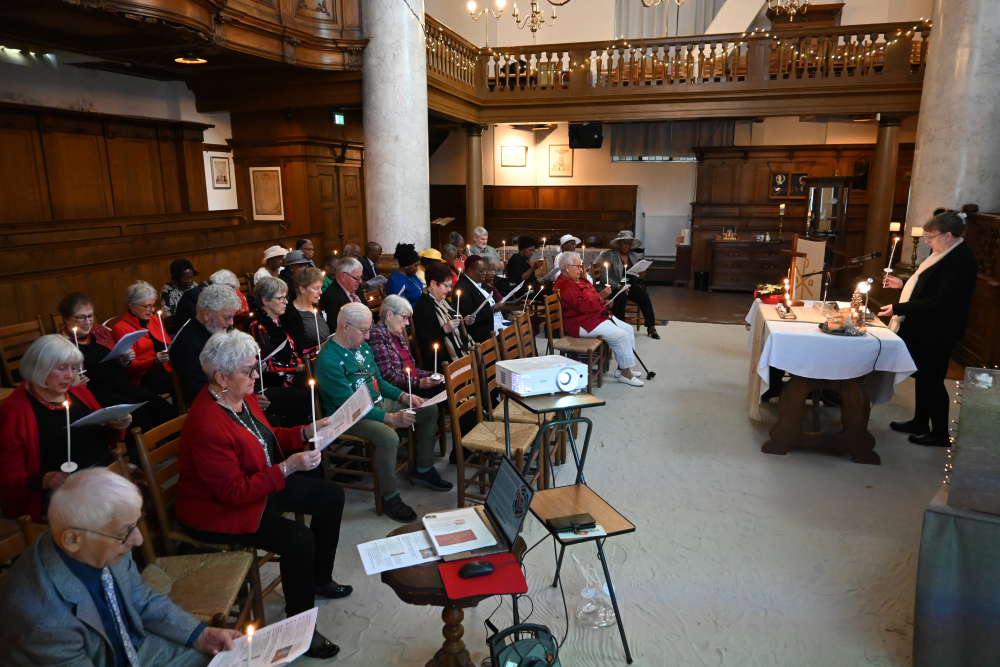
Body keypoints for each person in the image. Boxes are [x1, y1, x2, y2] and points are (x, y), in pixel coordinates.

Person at [175, 331, 346, 660]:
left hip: (257, 483)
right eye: (249, 370)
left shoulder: (241, 395)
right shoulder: (207, 423)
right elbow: (232, 492)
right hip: (217, 508)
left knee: (331, 495)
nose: (257, 375)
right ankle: (299, 627)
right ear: (221, 377)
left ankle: (318, 578)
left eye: (256, 367)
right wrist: (287, 468)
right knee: (298, 539)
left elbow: (266, 437)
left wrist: (304, 431)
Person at [0, 469, 242, 667]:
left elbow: (141, 599)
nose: (138, 540)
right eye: (125, 532)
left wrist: (201, 635)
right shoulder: (43, 619)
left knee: (234, 660)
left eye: (136, 523)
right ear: (73, 539)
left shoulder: (99, 542)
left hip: (137, 648)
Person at [315, 303, 451, 523]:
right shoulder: (328, 359)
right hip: (347, 416)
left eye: (369, 329)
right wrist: (391, 418)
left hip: (376, 402)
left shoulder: (362, 347)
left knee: (427, 408)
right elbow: (350, 406)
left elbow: (379, 381)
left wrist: (403, 396)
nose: (368, 336)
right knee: (388, 437)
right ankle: (389, 496)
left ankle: (423, 469)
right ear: (345, 327)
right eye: (364, 330)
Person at [0, 336, 131, 522]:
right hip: (63, 490)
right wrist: (46, 479)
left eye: (74, 368)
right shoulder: (14, 410)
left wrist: (116, 426)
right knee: (117, 516)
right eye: (62, 368)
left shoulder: (78, 391)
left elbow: (103, 437)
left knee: (144, 500)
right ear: (39, 368)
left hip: (104, 473)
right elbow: (7, 478)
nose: (70, 375)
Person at [879, 211, 978, 447]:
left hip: (939, 330)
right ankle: (920, 422)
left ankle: (940, 434)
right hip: (925, 327)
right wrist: (902, 284)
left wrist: (899, 308)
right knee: (923, 376)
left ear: (948, 235)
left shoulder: (961, 260)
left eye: (930, 236)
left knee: (932, 379)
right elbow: (928, 287)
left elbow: (941, 299)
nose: (927, 241)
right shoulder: (942, 253)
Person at [58, 293, 176, 446]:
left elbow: (118, 360)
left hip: (120, 383)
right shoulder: (60, 345)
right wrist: (75, 383)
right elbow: (60, 381)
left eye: (90, 315)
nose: (88, 322)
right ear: (66, 318)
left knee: (159, 404)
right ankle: (141, 455)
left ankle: (176, 445)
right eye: (81, 317)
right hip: (96, 392)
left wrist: (125, 358)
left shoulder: (99, 331)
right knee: (137, 412)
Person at [554, 252, 644, 387]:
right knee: (621, 335)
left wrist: (604, 302)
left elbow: (591, 296)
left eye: (581, 266)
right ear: (567, 267)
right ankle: (625, 373)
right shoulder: (565, 285)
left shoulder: (580, 280)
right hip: (580, 323)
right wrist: (600, 297)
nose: (581, 269)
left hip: (594, 315)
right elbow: (582, 306)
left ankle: (622, 368)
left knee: (628, 329)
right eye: (578, 266)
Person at [245, 277, 311, 427]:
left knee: (321, 380)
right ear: (265, 300)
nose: (286, 302)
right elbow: (267, 365)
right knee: (307, 392)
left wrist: (319, 350)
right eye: (281, 298)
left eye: (286, 297)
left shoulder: (282, 320)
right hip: (275, 380)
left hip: (292, 373)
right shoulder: (258, 325)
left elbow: (296, 351)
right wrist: (299, 368)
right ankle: (299, 433)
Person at [171, 284, 241, 405]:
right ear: (207, 314)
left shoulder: (222, 330)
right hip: (219, 404)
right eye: (227, 317)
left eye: (233, 316)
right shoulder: (186, 344)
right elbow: (199, 391)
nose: (231, 322)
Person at [369, 295, 444, 399]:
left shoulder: (399, 335)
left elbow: (413, 369)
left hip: (413, 384)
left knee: (447, 381)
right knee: (447, 389)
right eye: (404, 318)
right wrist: (419, 383)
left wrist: (432, 375)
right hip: (403, 391)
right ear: (389, 315)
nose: (407, 323)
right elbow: (387, 375)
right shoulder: (377, 335)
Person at [111, 281, 173, 395]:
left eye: (153, 305)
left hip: (166, 366)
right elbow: (130, 366)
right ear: (132, 306)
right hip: (144, 375)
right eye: (147, 306)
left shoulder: (155, 320)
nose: (152, 310)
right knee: (182, 381)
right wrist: (155, 361)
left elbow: (168, 344)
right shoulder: (121, 328)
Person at [599, 230, 660, 339]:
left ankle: (651, 326)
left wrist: (640, 276)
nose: (628, 246)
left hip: (629, 285)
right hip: (613, 286)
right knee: (621, 297)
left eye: (630, 244)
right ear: (618, 242)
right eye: (625, 243)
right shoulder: (609, 255)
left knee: (644, 296)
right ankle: (620, 327)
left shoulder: (633, 255)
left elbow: (634, 276)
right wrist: (618, 286)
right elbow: (604, 276)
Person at [413, 262, 468, 373]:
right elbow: (424, 341)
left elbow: (455, 318)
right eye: (446, 285)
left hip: (456, 349)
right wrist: (445, 329)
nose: (450, 289)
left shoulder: (443, 301)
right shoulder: (423, 307)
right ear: (433, 284)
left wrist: (465, 320)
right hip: (441, 360)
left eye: (450, 286)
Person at [453, 255, 515, 343]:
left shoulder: (481, 282)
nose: (485, 273)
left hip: (498, 322)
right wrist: (492, 309)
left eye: (485, 270)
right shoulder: (462, 288)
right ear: (470, 271)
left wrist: (506, 315)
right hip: (485, 330)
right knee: (517, 337)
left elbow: (494, 302)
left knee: (526, 329)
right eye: (482, 270)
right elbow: (468, 318)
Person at [280, 266, 328, 358]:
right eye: (316, 288)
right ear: (302, 289)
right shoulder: (289, 313)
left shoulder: (317, 307)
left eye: (321, 288)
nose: (320, 292)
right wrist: (320, 347)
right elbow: (297, 350)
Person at [174, 269, 249, 325]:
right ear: (223, 286)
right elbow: (204, 322)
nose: (230, 294)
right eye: (231, 290)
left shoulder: (210, 291)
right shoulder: (193, 296)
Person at [318, 256, 368, 331]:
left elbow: (368, 310)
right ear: (343, 276)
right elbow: (337, 327)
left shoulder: (356, 289)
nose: (360, 281)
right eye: (356, 278)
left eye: (361, 277)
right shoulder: (329, 297)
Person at [386, 243, 424, 307]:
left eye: (418, 265)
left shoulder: (411, 275)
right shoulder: (396, 281)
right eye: (415, 265)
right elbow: (399, 306)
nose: (417, 268)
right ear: (406, 265)